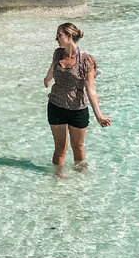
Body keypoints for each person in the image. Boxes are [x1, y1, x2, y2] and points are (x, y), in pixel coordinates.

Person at [43, 22, 111, 171]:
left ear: (69, 36)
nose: (56, 38)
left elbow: (91, 90)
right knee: (60, 148)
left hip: (77, 109)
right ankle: (57, 179)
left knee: (78, 147)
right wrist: (47, 78)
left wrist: (99, 115)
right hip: (56, 106)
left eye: (59, 35)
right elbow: (53, 67)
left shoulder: (86, 61)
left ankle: (81, 183)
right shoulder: (58, 53)